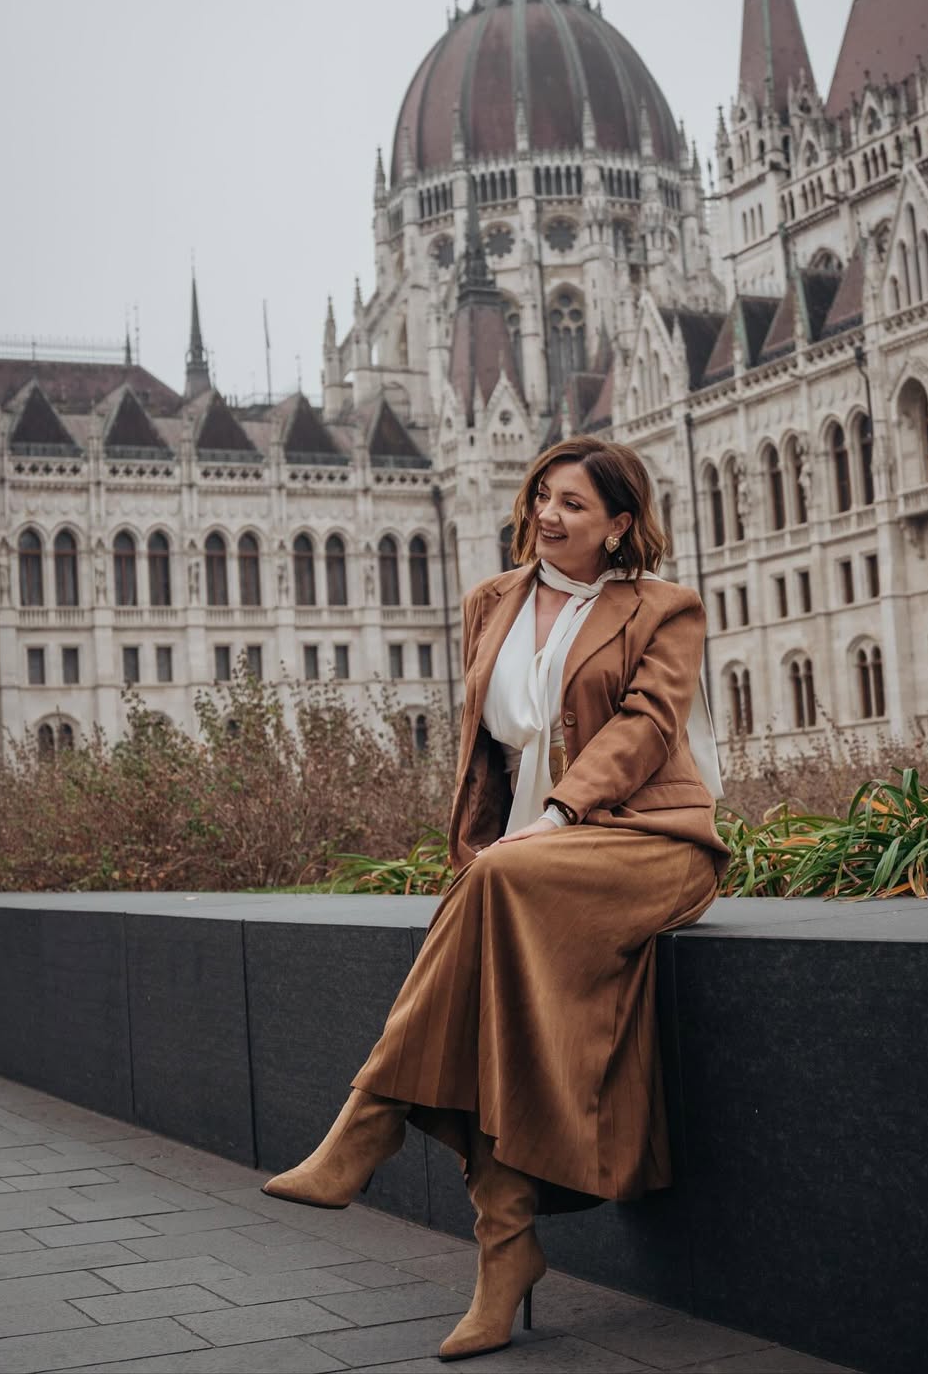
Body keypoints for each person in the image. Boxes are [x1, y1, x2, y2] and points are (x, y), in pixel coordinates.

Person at [262, 435, 731, 1362]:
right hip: (520, 854)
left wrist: (558, 814)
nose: (547, 513)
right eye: (542, 494)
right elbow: (485, 747)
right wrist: (503, 834)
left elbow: (645, 730)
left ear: (620, 525)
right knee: (496, 996)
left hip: (646, 841)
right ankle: (504, 1252)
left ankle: (369, 1122)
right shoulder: (492, 602)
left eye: (573, 504)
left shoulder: (665, 608)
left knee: (499, 884)